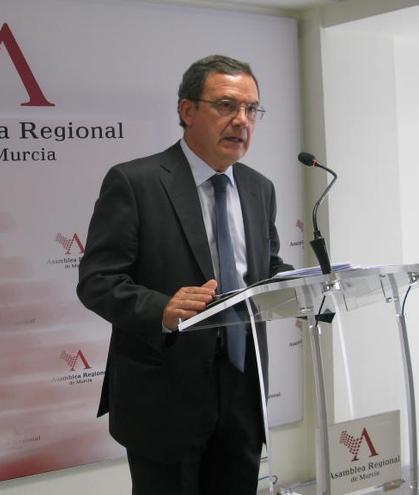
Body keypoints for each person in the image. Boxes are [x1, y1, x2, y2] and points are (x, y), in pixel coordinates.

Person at [77, 54, 293, 495]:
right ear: (187, 110)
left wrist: (300, 284)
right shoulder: (134, 183)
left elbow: (264, 269)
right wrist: (161, 308)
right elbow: (97, 280)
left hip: (242, 385)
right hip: (164, 392)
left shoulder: (258, 188)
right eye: (226, 106)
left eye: (252, 109)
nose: (242, 120)